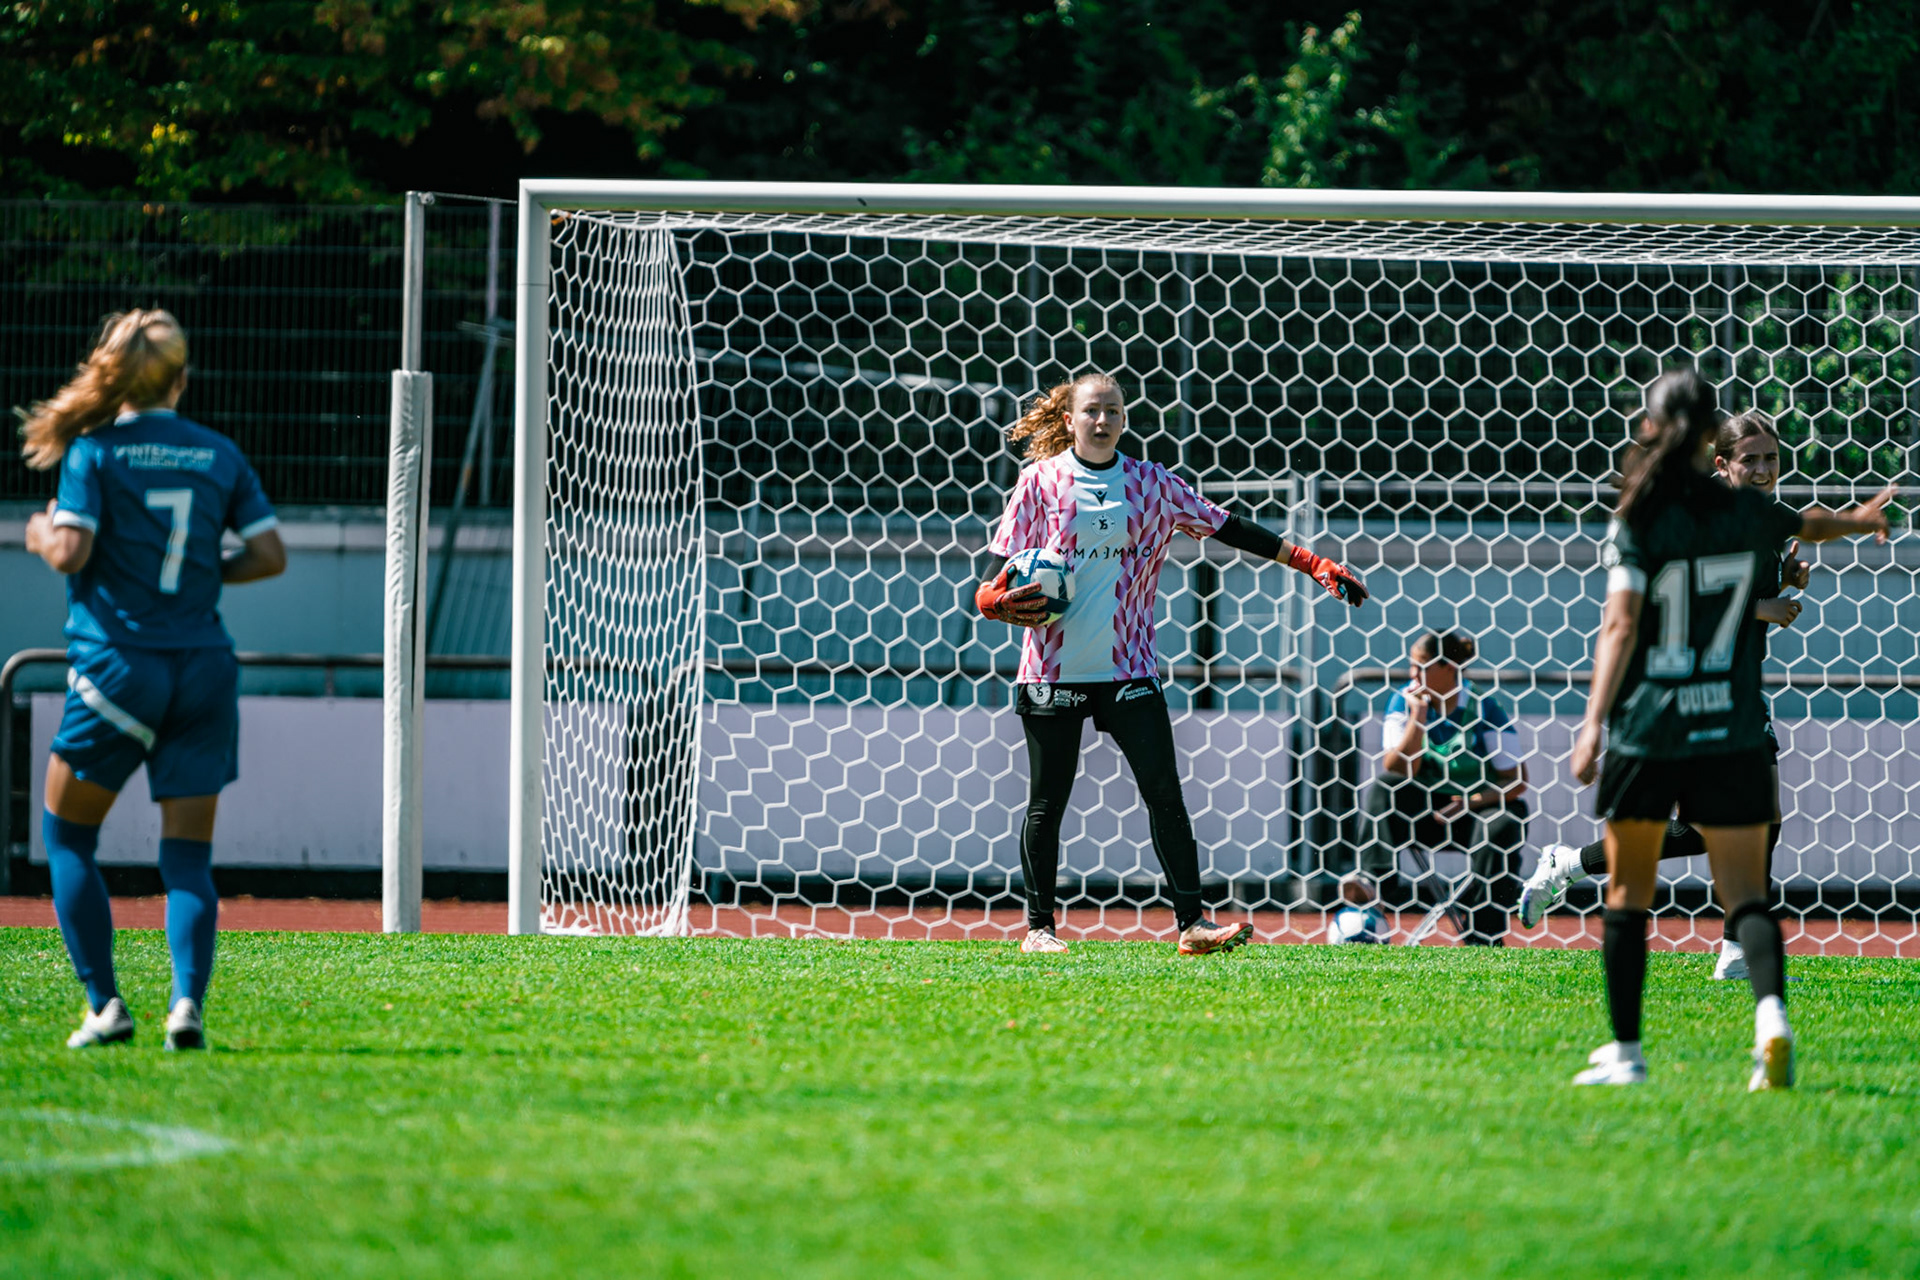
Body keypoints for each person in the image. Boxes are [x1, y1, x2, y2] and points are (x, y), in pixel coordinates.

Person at [1567, 369, 1889, 1089]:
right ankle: (1771, 1021)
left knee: (1629, 895)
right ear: (1714, 439)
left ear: (1650, 428)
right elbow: (1808, 524)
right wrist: (1861, 520)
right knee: (1747, 892)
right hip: (1732, 725)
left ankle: (1626, 1053)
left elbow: (1620, 625)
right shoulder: (1749, 512)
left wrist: (1592, 724)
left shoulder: (1639, 515)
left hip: (1651, 726)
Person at [976, 372, 1368, 955]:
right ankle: (1039, 930)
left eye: (1113, 410)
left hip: (1130, 669)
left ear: (1125, 418)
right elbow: (997, 571)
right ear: (1069, 419)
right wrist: (990, 599)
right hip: (1051, 671)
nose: (1102, 420)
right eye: (1092, 410)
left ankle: (1192, 926)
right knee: (1046, 803)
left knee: (1165, 793)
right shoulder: (1039, 481)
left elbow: (1228, 526)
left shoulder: (1151, 483)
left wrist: (1311, 563)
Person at [19, 309, 287, 1051]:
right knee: (188, 859)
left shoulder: (94, 453)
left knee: (67, 837)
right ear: (182, 378)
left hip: (118, 668)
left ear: (113, 379)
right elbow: (269, 555)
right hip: (203, 668)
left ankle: (105, 1006)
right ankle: (186, 1006)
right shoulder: (218, 453)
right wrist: (201, 574)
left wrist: (39, 532)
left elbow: (70, 552)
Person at [1519, 410, 1810, 982]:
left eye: (1771, 459)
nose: (1763, 469)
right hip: (1684, 691)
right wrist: (1764, 607)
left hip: (1737, 690)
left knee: (1761, 820)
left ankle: (1734, 950)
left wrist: (1786, 576)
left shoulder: (1767, 520)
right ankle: (1571, 863)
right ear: (1721, 464)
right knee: (1700, 828)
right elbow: (1680, 600)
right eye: (1749, 459)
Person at [1353, 630, 1528, 946]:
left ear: (1449, 667)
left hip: (1473, 816)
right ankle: (1373, 888)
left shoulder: (1484, 708)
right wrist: (1418, 718)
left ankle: (1485, 933)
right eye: (1411, 666)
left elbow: (1516, 780)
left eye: (1421, 666)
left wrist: (1470, 802)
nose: (1412, 674)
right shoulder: (1403, 700)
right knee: (1385, 788)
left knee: (1504, 822)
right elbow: (1400, 768)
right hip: (1423, 816)